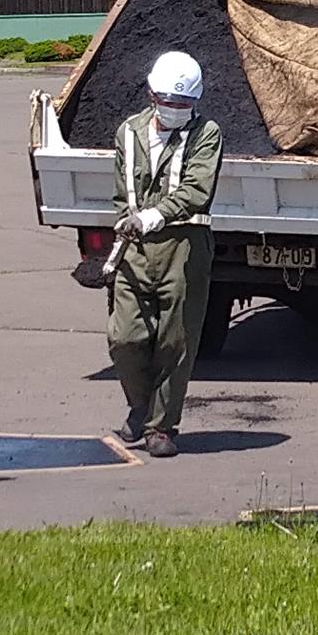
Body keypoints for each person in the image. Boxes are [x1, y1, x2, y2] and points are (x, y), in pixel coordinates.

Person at [108, 51, 224, 458]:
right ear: (151, 93)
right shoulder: (128, 132)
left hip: (184, 245)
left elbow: (197, 190)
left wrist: (155, 216)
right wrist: (126, 221)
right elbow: (124, 191)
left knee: (175, 340)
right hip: (135, 248)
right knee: (125, 337)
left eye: (184, 104)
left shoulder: (207, 133)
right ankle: (140, 406)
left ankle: (160, 426)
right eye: (168, 102)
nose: (175, 110)